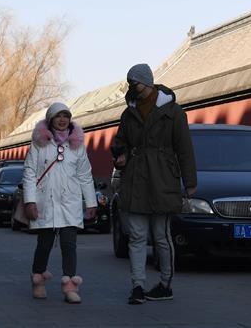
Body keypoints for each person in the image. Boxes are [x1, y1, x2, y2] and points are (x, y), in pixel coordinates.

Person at [111, 63, 197, 304]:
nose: (132, 88)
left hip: (163, 179)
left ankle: (165, 284)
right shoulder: (129, 113)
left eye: (135, 83)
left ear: (147, 82)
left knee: (161, 236)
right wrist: (120, 155)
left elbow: (184, 149)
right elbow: (120, 142)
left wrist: (190, 182)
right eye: (129, 84)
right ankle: (137, 286)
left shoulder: (174, 112)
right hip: (136, 179)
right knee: (137, 236)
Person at [23, 102, 97, 304]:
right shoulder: (39, 144)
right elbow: (29, 173)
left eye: (66, 116)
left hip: (69, 202)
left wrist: (91, 202)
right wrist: (30, 201)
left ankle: (70, 286)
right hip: (45, 202)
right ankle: (38, 279)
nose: (62, 120)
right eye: (58, 116)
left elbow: (85, 175)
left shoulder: (77, 145)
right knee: (44, 244)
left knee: (69, 244)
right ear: (51, 119)